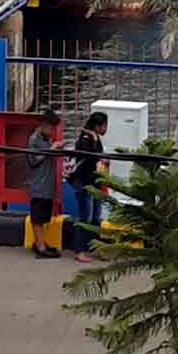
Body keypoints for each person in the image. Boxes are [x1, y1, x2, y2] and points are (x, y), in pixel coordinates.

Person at [66, 111, 109, 263]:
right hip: (84, 183)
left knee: (96, 218)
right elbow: (92, 157)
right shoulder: (86, 139)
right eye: (104, 125)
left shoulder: (94, 138)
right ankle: (79, 250)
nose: (106, 128)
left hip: (95, 183)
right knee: (86, 218)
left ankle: (96, 247)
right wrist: (96, 141)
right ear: (98, 126)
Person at [26, 107, 63, 259]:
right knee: (38, 217)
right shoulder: (34, 140)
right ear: (45, 125)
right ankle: (40, 246)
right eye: (53, 128)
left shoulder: (46, 140)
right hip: (39, 185)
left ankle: (41, 242)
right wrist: (52, 149)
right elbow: (34, 160)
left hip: (46, 184)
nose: (54, 131)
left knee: (43, 216)